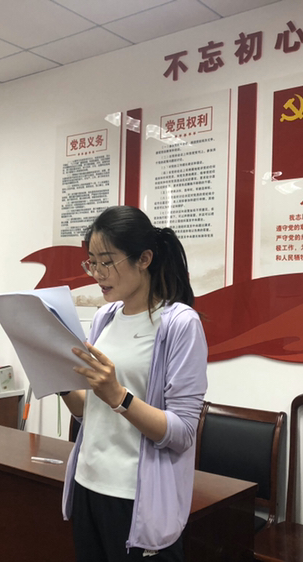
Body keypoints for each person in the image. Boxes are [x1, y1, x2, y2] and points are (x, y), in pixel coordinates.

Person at [59, 205, 208, 562]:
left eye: (107, 262)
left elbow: (183, 432)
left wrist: (119, 396)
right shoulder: (104, 317)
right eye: (92, 262)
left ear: (144, 259)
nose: (97, 273)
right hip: (87, 483)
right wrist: (59, 380)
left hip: (136, 496)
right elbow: (90, 413)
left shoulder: (180, 323)